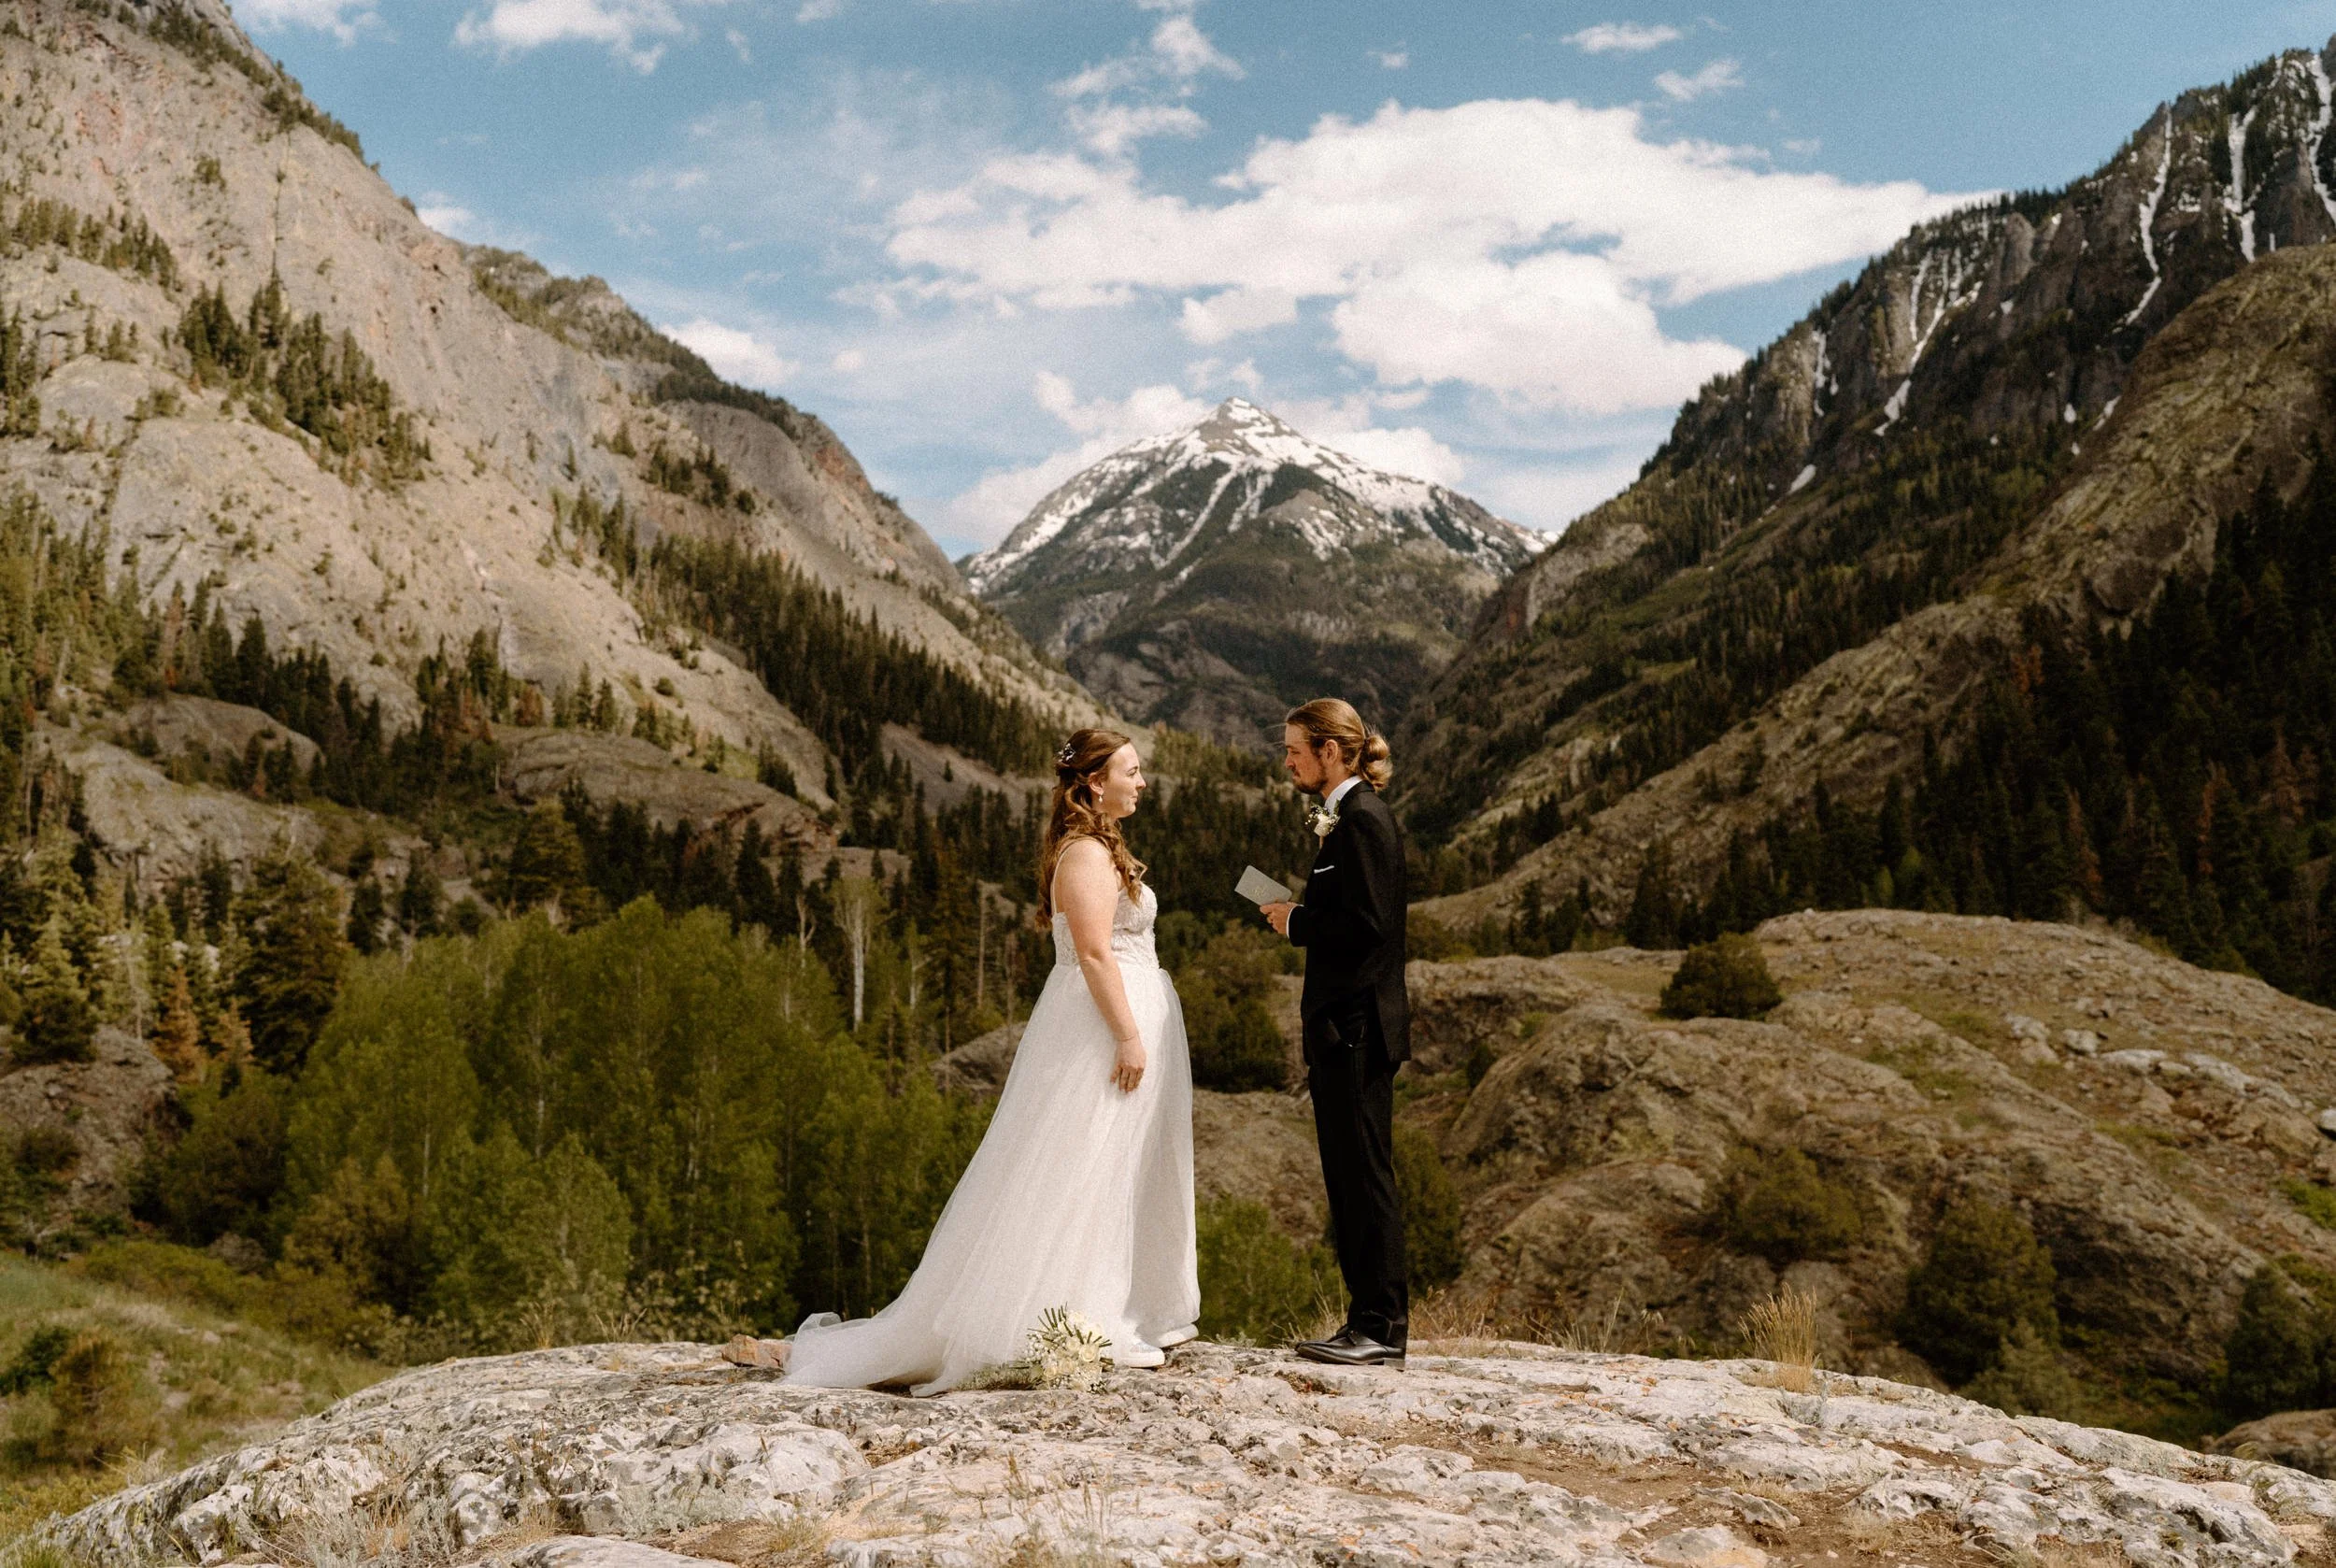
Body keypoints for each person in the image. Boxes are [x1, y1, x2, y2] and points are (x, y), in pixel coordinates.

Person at [731, 728, 1199, 1393]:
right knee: (1081, 1164)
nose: (1143, 781)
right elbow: (1095, 954)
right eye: (1132, 770)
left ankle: (1125, 1307)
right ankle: (1076, 1317)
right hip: (1101, 1027)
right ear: (1096, 783)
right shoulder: (1085, 855)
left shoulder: (1100, 848)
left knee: (1118, 1164)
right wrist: (1127, 1034)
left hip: (1124, 1016)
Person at [1260, 697, 1410, 1368]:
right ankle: (1366, 1322)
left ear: (1330, 751)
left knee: (1364, 1176)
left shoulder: (1362, 821)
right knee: (1349, 1176)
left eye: (1295, 750)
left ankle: (1381, 1327)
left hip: (1356, 1026)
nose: (1288, 762)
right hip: (1344, 1028)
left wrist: (1295, 922)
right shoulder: (1347, 820)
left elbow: (1370, 925)